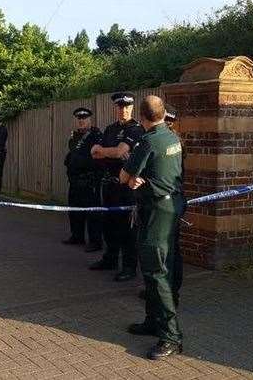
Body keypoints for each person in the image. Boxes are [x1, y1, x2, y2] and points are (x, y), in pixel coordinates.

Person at [120, 95, 185, 360]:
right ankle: (152, 321)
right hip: (171, 206)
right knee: (151, 267)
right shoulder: (172, 137)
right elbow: (164, 171)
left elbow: (123, 176)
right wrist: (144, 180)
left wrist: (135, 178)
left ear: (143, 117)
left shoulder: (147, 141)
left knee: (157, 272)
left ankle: (171, 336)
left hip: (157, 211)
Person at [89, 92, 144, 282]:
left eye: (127, 107)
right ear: (116, 108)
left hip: (127, 186)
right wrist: (108, 153)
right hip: (110, 183)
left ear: (132, 107)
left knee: (127, 228)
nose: (124, 110)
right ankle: (110, 259)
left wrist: (104, 151)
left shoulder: (136, 129)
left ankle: (129, 267)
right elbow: (97, 155)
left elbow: (120, 151)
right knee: (109, 224)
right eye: (121, 107)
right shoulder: (111, 129)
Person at [138, 103, 184, 304]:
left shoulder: (159, 141)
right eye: (168, 121)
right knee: (166, 255)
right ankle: (158, 302)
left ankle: (169, 297)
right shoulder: (173, 140)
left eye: (171, 122)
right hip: (171, 202)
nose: (169, 125)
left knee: (161, 261)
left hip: (162, 205)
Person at [62, 107, 103, 252]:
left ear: (89, 119)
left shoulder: (96, 136)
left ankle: (95, 241)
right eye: (79, 119)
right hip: (75, 180)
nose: (81, 121)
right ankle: (77, 235)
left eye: (84, 118)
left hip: (89, 180)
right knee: (74, 209)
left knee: (92, 212)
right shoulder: (74, 136)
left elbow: (97, 158)